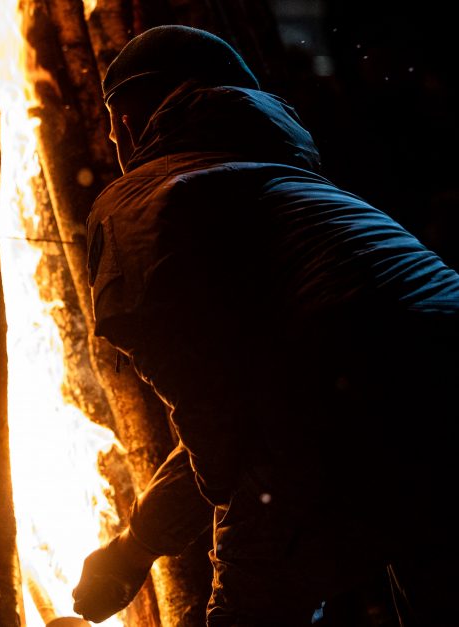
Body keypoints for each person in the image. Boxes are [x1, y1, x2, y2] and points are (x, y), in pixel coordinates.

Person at [70, 25, 459, 627]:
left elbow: (227, 440)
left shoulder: (145, 197)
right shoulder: (296, 190)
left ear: (124, 122)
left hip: (350, 402)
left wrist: (236, 569)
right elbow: (248, 417)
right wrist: (135, 548)